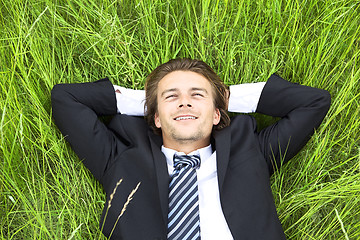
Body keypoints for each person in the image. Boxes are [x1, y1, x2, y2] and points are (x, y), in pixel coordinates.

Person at [51, 58, 331, 240]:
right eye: (171, 97)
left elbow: (314, 102)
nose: (184, 103)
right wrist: (150, 102)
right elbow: (66, 98)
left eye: (197, 95)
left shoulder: (249, 151)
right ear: (156, 118)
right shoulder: (122, 158)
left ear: (217, 114)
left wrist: (221, 97)